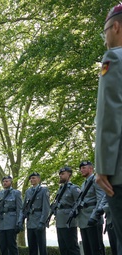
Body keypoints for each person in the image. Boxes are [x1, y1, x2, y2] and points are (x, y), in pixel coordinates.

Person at [95, 4, 122, 254]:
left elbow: (109, 115)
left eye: (105, 30)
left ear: (115, 26)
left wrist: (102, 168)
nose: (105, 37)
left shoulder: (114, 58)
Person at [77, 161, 105, 255]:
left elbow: (101, 199)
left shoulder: (96, 180)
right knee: (87, 249)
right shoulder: (84, 184)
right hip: (83, 220)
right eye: (81, 168)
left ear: (91, 168)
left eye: (84, 168)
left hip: (93, 219)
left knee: (96, 249)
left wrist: (94, 216)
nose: (81, 170)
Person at [18, 172, 49, 255]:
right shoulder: (28, 191)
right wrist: (20, 220)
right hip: (30, 222)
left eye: (34, 178)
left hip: (39, 221)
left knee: (42, 247)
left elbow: (46, 208)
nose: (32, 180)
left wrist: (42, 222)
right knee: (32, 248)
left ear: (38, 179)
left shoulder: (43, 190)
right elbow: (23, 208)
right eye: (30, 178)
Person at [53, 167, 80, 255]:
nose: (60, 176)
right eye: (60, 174)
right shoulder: (60, 189)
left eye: (63, 174)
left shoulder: (74, 188)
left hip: (69, 221)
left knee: (72, 247)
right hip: (60, 221)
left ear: (69, 174)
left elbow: (78, 203)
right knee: (63, 248)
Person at [0, 176, 22, 255]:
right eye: (3, 181)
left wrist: (18, 223)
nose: (4, 183)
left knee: (12, 245)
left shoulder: (16, 193)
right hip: (1, 223)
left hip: (11, 223)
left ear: (11, 182)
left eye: (6, 181)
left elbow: (19, 209)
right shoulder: (0, 193)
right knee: (2, 245)